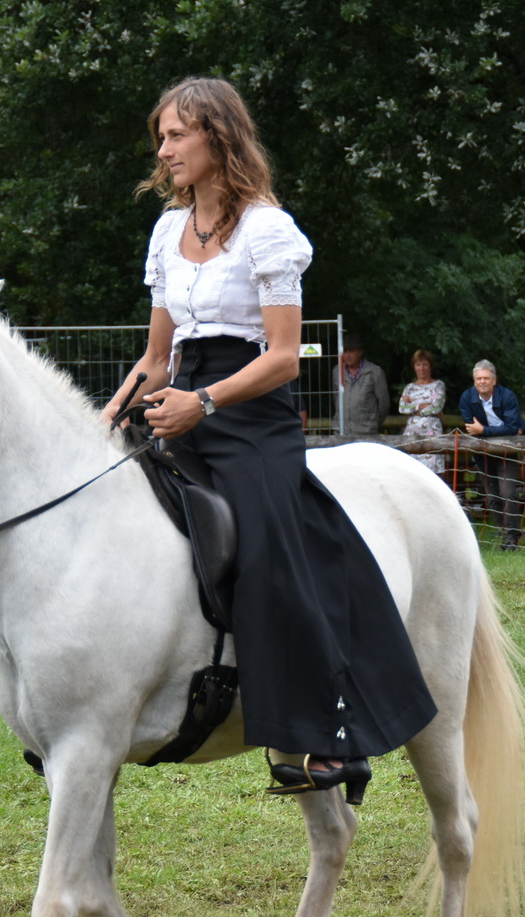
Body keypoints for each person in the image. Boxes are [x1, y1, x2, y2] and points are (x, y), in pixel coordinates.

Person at [102, 76, 435, 801]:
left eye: (176, 134)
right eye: (161, 137)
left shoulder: (267, 231)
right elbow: (156, 359)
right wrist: (100, 424)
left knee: (264, 538)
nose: (164, 149)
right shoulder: (166, 232)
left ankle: (323, 733)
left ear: (218, 137)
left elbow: (285, 354)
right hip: (178, 394)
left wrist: (205, 403)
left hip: (252, 414)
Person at [460, 360, 525, 549]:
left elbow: (513, 427)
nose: (482, 382)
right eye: (479, 379)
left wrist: (484, 430)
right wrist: (492, 430)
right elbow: (471, 428)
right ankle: (506, 533)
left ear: (494, 381)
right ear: (474, 382)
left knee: (508, 492)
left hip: (507, 450)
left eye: (486, 378)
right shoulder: (466, 398)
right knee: (493, 496)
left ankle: (512, 537)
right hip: (483, 453)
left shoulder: (507, 396)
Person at [398, 348, 447, 475]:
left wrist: (412, 405)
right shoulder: (409, 387)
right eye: (418, 364)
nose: (422, 368)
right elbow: (402, 408)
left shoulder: (438, 385)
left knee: (432, 475)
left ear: (430, 366)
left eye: (425, 364)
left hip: (431, 434)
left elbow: (436, 407)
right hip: (412, 436)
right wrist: (420, 406)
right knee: (412, 473)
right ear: (414, 367)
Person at [337, 333, 389, 435]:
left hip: (367, 433)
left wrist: (372, 423)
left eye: (351, 351)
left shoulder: (375, 372)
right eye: (345, 351)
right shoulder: (337, 371)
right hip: (342, 432)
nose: (347, 355)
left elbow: (384, 404)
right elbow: (336, 399)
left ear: (360, 352)